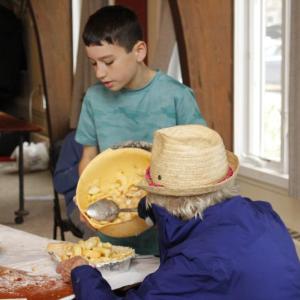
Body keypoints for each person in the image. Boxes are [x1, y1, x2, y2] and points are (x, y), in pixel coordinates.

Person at [57, 124, 300, 299]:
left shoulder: (191, 266)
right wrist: (148, 208)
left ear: (163, 197)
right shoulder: (264, 214)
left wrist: (83, 273)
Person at [75, 5, 206, 252]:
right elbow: (88, 158)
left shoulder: (177, 97)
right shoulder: (93, 99)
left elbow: (199, 160)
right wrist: (84, 201)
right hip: (113, 224)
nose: (100, 73)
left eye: (108, 62)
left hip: (168, 227)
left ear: (139, 51)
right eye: (93, 64)